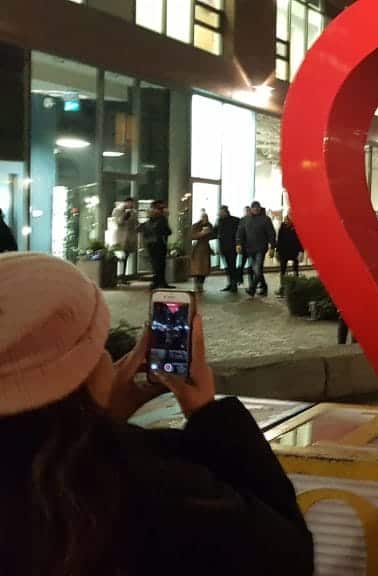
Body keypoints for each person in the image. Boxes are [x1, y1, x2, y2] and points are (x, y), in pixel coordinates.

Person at [0, 253, 314, 576]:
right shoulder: (145, 482)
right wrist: (207, 414)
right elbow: (288, 555)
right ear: (85, 368)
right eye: (100, 345)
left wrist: (100, 417)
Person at [236, 200, 276, 298]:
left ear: (260, 208)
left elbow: (271, 234)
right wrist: (238, 244)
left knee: (257, 268)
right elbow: (240, 233)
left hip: (261, 248)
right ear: (251, 209)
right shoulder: (245, 219)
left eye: (257, 207)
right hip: (249, 249)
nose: (256, 209)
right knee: (256, 270)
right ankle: (264, 287)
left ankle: (252, 289)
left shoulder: (266, 220)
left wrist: (272, 247)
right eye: (254, 208)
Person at [139, 200, 172, 290]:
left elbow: (167, 231)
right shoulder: (158, 219)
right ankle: (157, 282)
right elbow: (166, 231)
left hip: (155, 243)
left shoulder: (157, 219)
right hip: (157, 243)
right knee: (158, 263)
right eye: (160, 208)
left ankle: (160, 282)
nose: (162, 210)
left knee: (159, 263)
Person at [110, 197, 138, 285]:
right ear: (126, 202)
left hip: (130, 237)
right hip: (121, 237)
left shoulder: (133, 212)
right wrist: (125, 216)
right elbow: (118, 222)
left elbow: (135, 224)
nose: (132, 205)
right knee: (119, 256)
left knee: (126, 256)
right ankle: (118, 276)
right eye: (130, 203)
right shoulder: (117, 210)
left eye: (132, 204)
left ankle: (123, 277)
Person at [214, 206, 241, 292]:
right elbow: (215, 232)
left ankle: (234, 285)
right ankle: (231, 283)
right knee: (227, 267)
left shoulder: (235, 220)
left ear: (225, 212)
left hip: (232, 247)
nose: (219, 213)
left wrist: (239, 244)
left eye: (221, 212)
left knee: (232, 266)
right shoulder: (219, 221)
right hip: (223, 247)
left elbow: (239, 234)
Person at [275, 214, 304, 296]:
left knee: (295, 269)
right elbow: (279, 240)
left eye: (288, 219)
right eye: (286, 219)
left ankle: (296, 288)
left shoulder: (297, 226)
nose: (286, 221)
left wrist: (301, 251)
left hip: (295, 251)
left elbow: (301, 240)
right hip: (284, 252)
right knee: (282, 270)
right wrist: (277, 251)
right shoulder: (282, 226)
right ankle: (282, 288)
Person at [189, 212, 214, 292]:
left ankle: (201, 285)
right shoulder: (196, 225)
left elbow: (212, 235)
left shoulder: (209, 225)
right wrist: (201, 233)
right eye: (203, 217)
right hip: (197, 249)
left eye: (206, 217)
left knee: (204, 269)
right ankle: (197, 285)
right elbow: (192, 236)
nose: (205, 219)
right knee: (197, 268)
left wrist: (209, 233)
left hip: (205, 249)